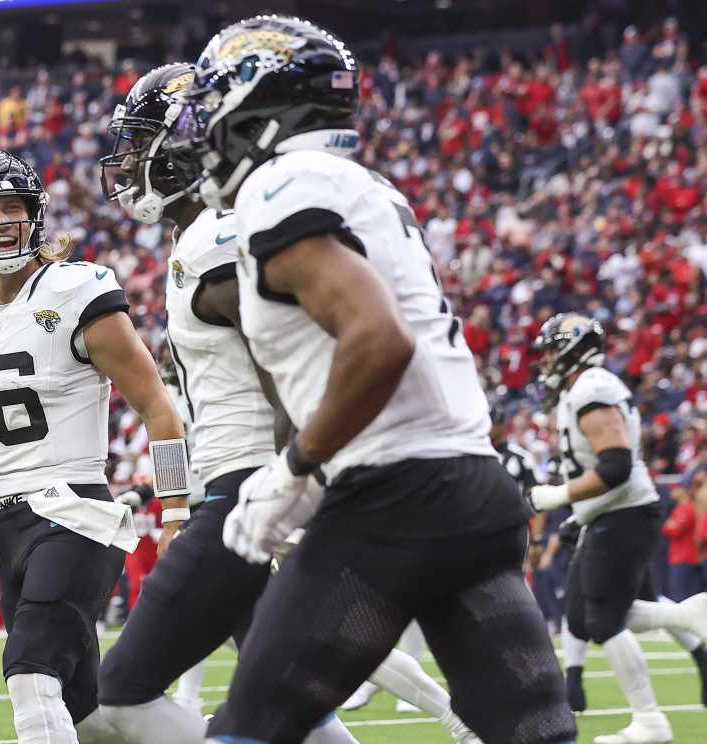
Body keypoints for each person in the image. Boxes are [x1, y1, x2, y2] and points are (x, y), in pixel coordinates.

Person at [174, 16, 576, 744]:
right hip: (479, 494)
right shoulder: (365, 186)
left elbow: (380, 340)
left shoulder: (278, 186)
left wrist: (295, 468)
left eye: (212, 108)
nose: (204, 131)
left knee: (246, 731)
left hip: (394, 499)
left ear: (256, 107)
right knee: (533, 734)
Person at [95, 62, 476, 744]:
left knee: (111, 703)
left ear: (185, 140)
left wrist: (294, 476)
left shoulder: (218, 238)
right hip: (239, 487)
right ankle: (459, 717)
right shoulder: (202, 239)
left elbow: (297, 364)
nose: (126, 160)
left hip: (248, 492)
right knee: (302, 697)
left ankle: (456, 716)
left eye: (141, 140)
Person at [0, 149, 189, 744]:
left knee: (29, 675)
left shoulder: (76, 290)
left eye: (11, 207)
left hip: (75, 510)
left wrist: (175, 511)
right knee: (95, 720)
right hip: (5, 520)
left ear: (34, 215)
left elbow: (157, 407)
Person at [528, 313, 707, 741]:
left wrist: (558, 497)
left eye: (554, 350)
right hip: (609, 513)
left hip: (624, 511)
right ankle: (686, 613)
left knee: (603, 620)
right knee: (581, 614)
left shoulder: (592, 388)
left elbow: (615, 465)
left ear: (575, 349)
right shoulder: (587, 388)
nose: (548, 360)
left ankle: (650, 720)